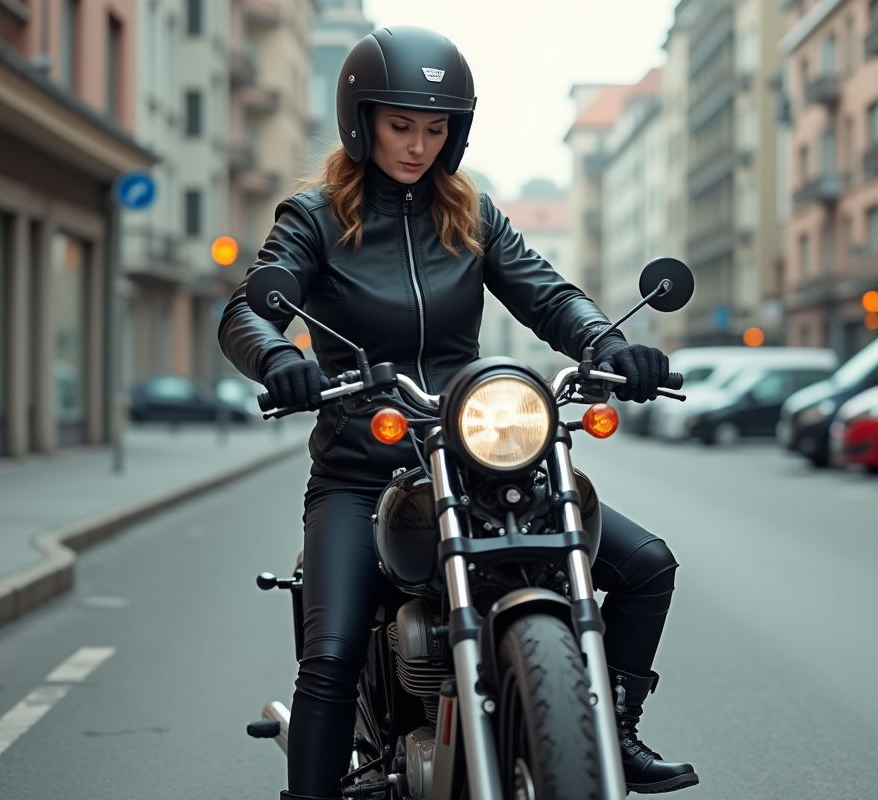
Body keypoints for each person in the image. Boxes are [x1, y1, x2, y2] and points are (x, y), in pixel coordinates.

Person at [218, 25, 699, 800]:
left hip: (479, 452)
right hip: (362, 465)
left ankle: (615, 726)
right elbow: (249, 309)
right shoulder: (314, 217)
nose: (417, 145)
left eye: (436, 129)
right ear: (361, 119)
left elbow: (549, 296)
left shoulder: (470, 214)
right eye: (401, 125)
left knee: (646, 567)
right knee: (333, 653)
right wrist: (279, 358)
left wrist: (609, 345)